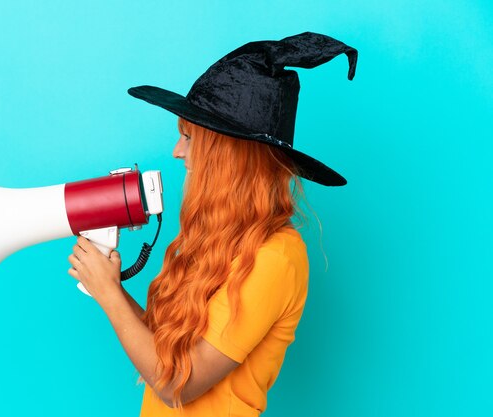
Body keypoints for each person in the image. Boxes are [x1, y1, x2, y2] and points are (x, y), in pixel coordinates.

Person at [67, 32, 358, 416]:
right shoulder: (218, 240)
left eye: (189, 137)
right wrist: (109, 287)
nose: (177, 151)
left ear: (227, 156)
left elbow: (177, 385)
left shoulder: (277, 257)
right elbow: (164, 354)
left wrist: (107, 294)